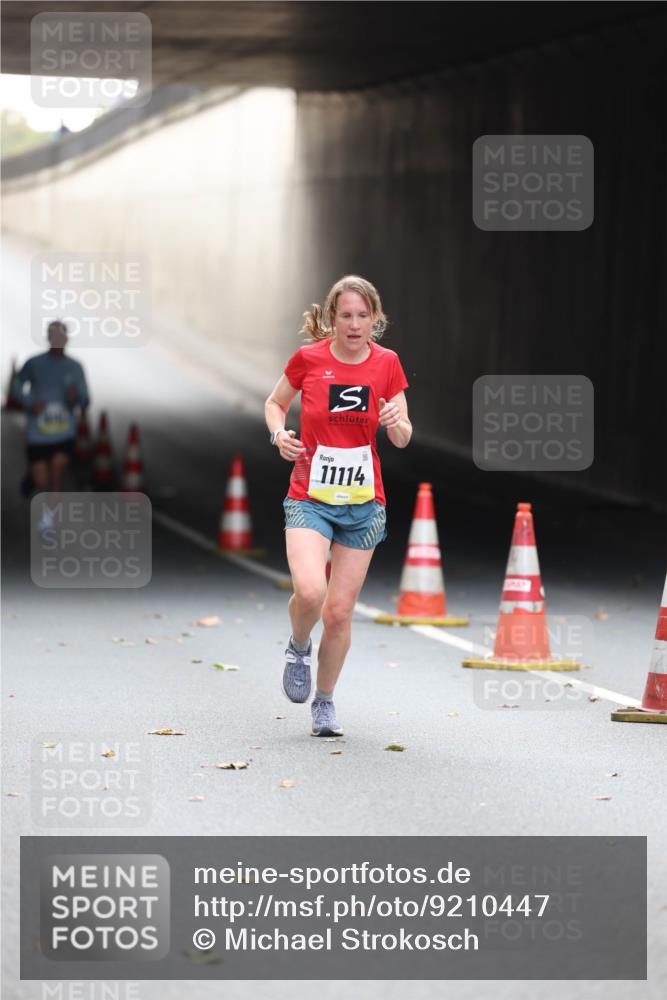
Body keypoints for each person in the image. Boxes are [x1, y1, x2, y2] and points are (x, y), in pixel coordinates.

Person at [265, 275, 411, 736]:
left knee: (340, 611)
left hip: (364, 504)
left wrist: (395, 421)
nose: (353, 324)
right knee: (310, 592)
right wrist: (279, 434)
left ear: (375, 319)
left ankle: (324, 702)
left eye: (362, 316)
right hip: (310, 494)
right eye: (345, 315)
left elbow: (404, 436)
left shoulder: (387, 364)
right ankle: (298, 645)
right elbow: (274, 403)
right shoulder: (309, 359)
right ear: (331, 319)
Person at [16, 320, 90, 532]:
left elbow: (86, 399)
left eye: (62, 336)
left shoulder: (75, 368)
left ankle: (48, 522)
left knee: (57, 471)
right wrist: (30, 403)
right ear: (49, 338)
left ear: (67, 339)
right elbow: (16, 384)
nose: (58, 341)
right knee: (42, 479)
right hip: (38, 434)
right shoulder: (34, 364)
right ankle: (32, 475)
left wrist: (77, 399)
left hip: (63, 432)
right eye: (54, 336)